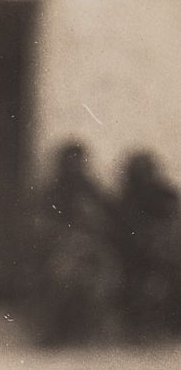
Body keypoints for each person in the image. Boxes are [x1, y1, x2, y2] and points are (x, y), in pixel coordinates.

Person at [29, 141, 120, 347]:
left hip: (92, 250)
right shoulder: (51, 192)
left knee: (103, 278)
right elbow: (41, 226)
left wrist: (91, 226)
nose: (74, 167)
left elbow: (108, 223)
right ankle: (55, 333)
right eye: (70, 161)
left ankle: (90, 332)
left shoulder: (92, 190)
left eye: (78, 161)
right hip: (62, 249)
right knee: (60, 277)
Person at [115, 151, 181, 343]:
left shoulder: (165, 196)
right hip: (137, 262)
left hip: (166, 260)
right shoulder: (125, 202)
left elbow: (172, 227)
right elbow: (124, 237)